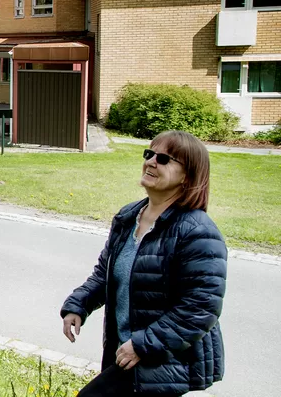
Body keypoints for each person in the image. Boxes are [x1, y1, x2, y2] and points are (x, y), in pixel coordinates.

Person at [61, 130, 227, 396]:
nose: (151, 161)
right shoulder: (129, 217)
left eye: (164, 159)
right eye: (149, 154)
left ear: (187, 176)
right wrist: (78, 305)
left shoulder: (197, 231)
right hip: (128, 352)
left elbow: (201, 308)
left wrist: (142, 344)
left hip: (166, 359)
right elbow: (106, 273)